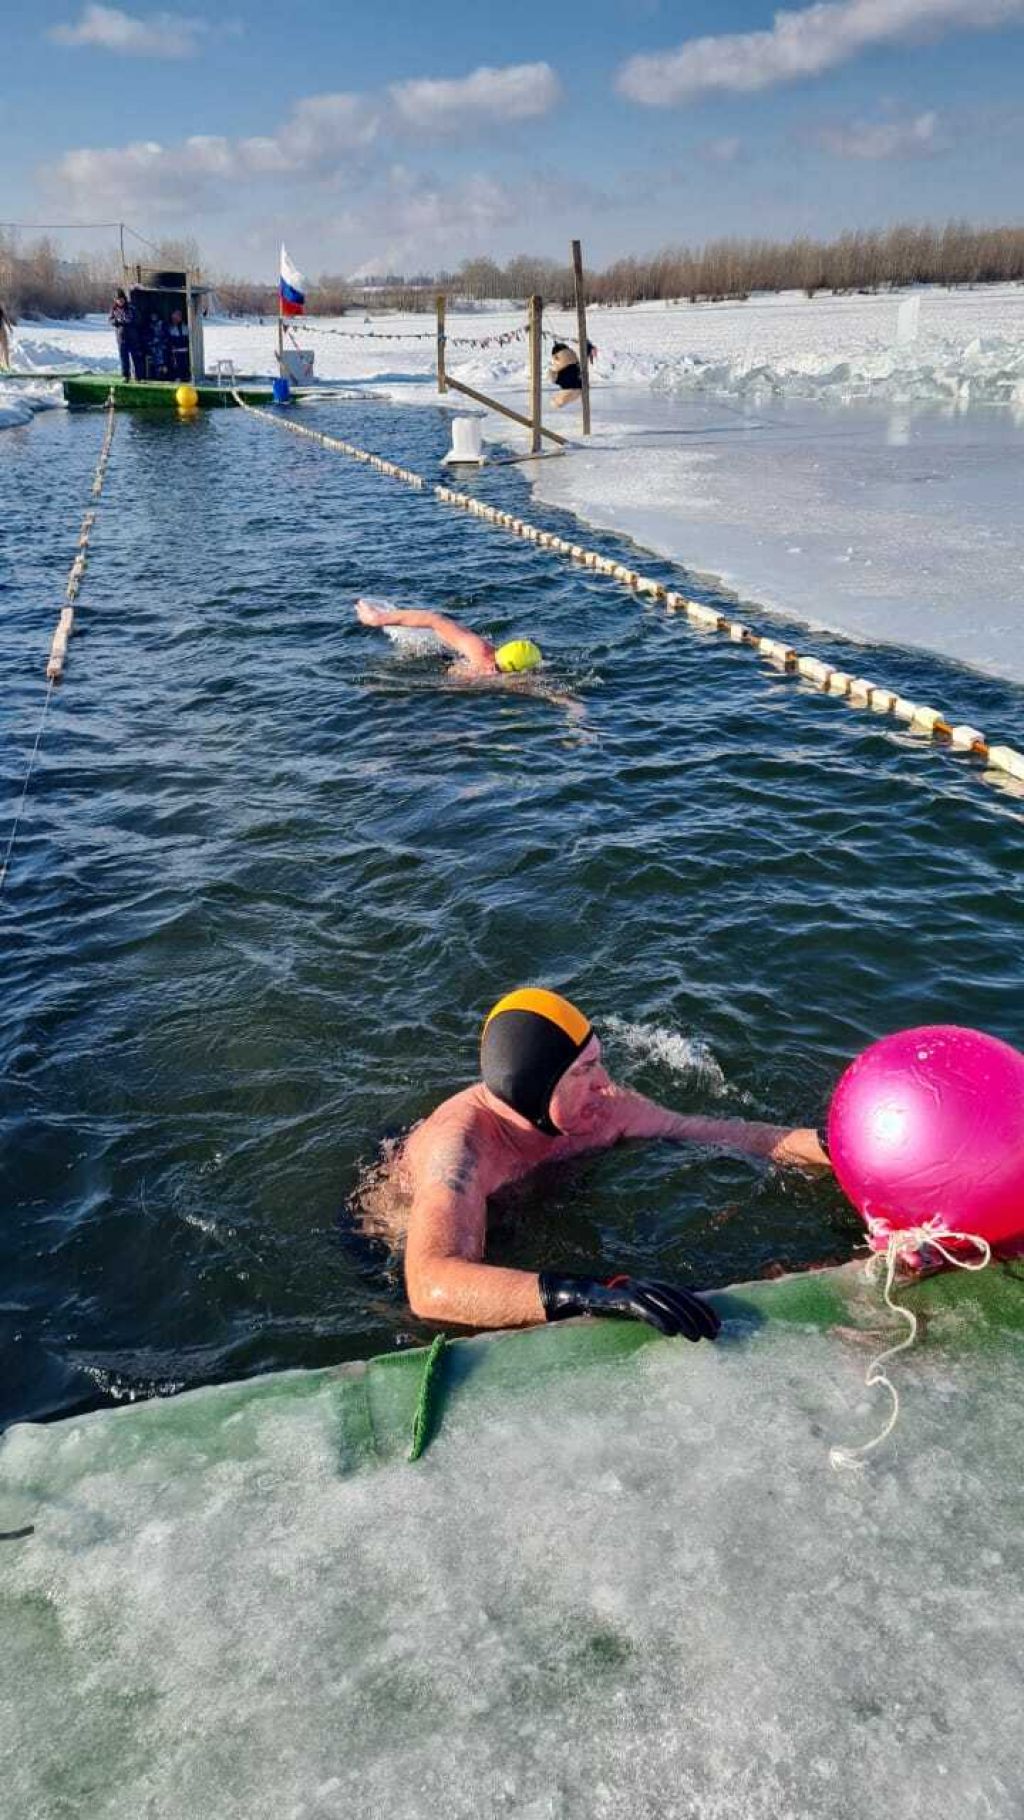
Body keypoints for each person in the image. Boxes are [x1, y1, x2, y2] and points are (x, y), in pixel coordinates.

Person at [397, 986, 831, 1337]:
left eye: (599, 1063)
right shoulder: (459, 1151)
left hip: (536, 1202)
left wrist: (831, 1146)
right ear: (535, 1089)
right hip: (403, 1252)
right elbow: (431, 1284)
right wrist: (600, 1295)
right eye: (584, 1071)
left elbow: (718, 1132)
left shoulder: (603, 1110)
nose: (604, 1083)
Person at [355, 598, 542, 678]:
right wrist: (379, 619)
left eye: (499, 671)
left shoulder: (520, 684)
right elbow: (434, 620)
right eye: (495, 662)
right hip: (444, 656)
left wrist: (571, 710)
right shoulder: (480, 651)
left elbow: (556, 696)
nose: (491, 669)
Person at [548, 338, 596, 409]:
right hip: (570, 370)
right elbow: (553, 377)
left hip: (574, 380)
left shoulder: (561, 364)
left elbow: (554, 377)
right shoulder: (571, 354)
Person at [109, 288, 140, 382]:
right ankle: (125, 376)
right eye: (118, 299)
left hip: (132, 337)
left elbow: (136, 318)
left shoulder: (131, 307)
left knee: (135, 357)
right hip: (121, 338)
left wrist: (128, 320)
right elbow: (110, 320)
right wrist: (116, 321)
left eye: (121, 299)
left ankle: (138, 376)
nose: (120, 301)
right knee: (124, 358)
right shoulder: (114, 309)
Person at [167, 309, 190, 382]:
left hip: (185, 351)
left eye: (177, 317)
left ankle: (186, 377)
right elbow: (170, 342)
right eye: (174, 317)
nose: (175, 319)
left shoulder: (186, 327)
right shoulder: (171, 329)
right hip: (176, 352)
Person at [0, 300, 13, 371]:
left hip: (2, 330)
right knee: (4, 348)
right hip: (2, 330)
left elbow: (5, 318)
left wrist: (9, 327)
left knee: (5, 348)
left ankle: (7, 366)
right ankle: (5, 365)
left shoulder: (1, 308)